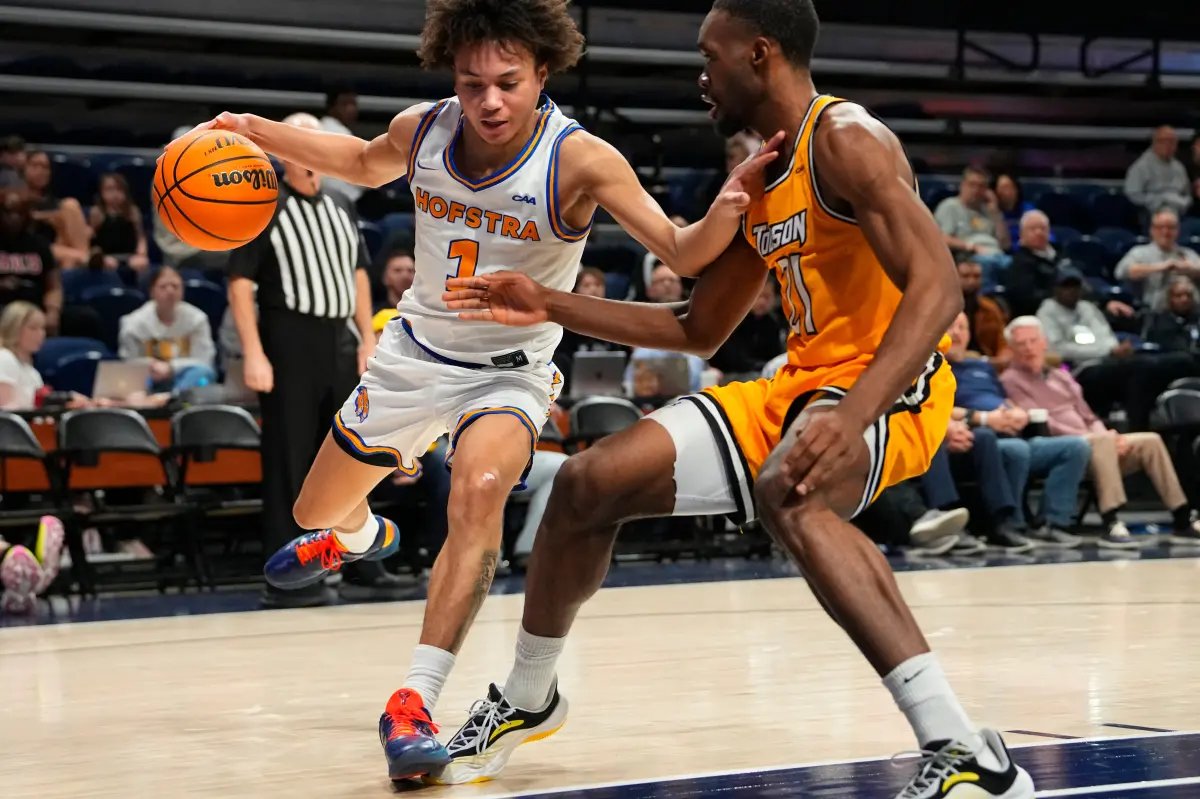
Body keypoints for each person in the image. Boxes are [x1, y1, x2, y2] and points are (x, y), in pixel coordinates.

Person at [441, 2, 1034, 796]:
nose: (701, 76)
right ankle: (527, 695)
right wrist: (548, 303)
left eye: (709, 57)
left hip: (888, 381)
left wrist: (853, 412)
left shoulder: (846, 138)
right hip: (801, 384)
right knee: (585, 485)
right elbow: (697, 328)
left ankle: (964, 749)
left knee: (792, 489)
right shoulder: (765, 174)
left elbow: (937, 292)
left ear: (759, 54)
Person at [191, 0, 780, 782]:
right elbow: (361, 161)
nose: (490, 100)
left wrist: (728, 206)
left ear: (543, 71)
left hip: (508, 372)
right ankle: (359, 536)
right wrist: (256, 130)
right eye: (472, 83)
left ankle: (414, 700)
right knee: (314, 511)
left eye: (508, 82)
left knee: (478, 490)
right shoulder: (423, 130)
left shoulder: (579, 159)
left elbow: (682, 250)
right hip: (412, 357)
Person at [223, 112, 394, 609]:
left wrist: (367, 339)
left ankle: (363, 562)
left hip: (340, 339)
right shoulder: (263, 206)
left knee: (352, 455)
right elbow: (240, 283)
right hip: (288, 339)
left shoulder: (341, 205)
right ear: (283, 152)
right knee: (290, 458)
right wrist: (254, 352)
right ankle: (290, 578)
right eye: (301, 141)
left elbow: (359, 275)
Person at [1001, 316, 1200, 547]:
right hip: (1064, 448)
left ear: (1044, 343)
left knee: (1150, 441)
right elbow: (1042, 422)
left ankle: (1182, 518)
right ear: (1011, 349)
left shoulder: (1060, 376)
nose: (1028, 348)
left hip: (1097, 442)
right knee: (1101, 443)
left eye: (1033, 341)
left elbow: (1089, 416)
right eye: (1021, 344)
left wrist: (1107, 435)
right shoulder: (1010, 380)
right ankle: (1111, 521)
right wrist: (1095, 438)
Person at [117, 265, 217, 393]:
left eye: (175, 286)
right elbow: (129, 362)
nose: (170, 291)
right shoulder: (133, 322)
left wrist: (171, 367)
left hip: (184, 377)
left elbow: (204, 361)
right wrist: (153, 365)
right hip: (150, 376)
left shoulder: (197, 319)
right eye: (163, 287)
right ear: (152, 291)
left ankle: (175, 399)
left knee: (203, 374)